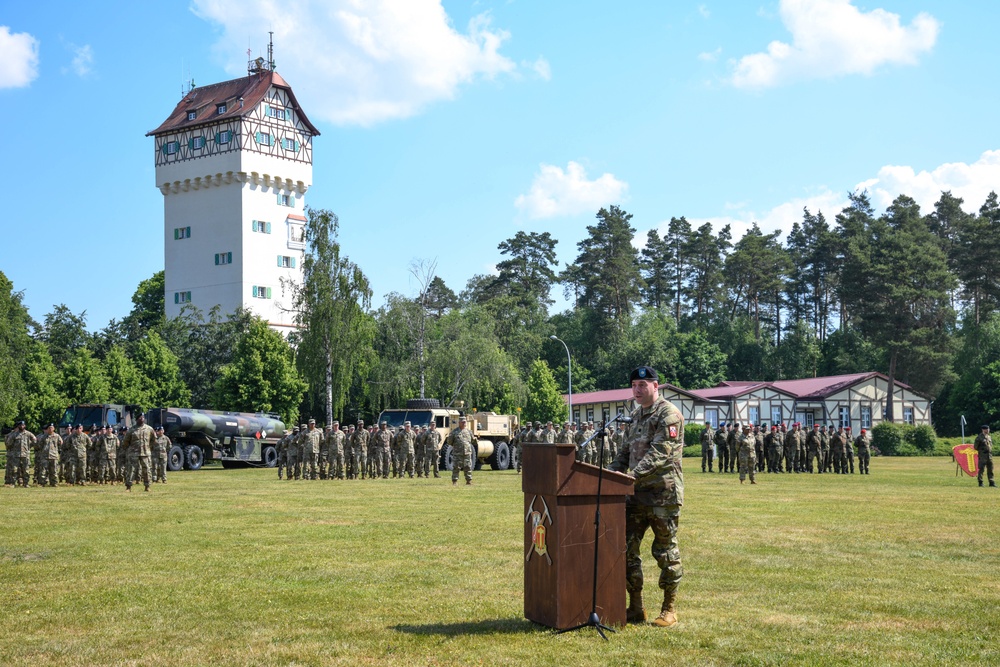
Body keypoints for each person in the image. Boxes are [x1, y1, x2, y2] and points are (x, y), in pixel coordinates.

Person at [609, 366, 684, 628]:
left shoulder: (669, 414)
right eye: (634, 385)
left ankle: (669, 609)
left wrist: (630, 475)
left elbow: (660, 453)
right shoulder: (636, 415)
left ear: (656, 386)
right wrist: (609, 474)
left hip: (663, 495)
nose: (638, 390)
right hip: (635, 495)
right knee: (626, 550)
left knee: (665, 551)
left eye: (643, 385)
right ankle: (636, 607)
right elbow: (625, 452)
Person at [122, 413, 155, 492]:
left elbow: (153, 440)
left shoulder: (149, 429)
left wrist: (148, 448)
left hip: (145, 453)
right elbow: (126, 441)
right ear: (137, 419)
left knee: (147, 470)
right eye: (140, 418)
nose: (142, 419)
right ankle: (128, 487)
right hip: (134, 453)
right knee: (131, 470)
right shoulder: (132, 429)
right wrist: (130, 450)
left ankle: (147, 486)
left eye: (143, 417)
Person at [446, 415, 478, 485]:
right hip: (458, 453)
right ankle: (455, 481)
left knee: (468, 467)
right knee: (456, 467)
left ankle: (468, 481)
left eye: (465, 422)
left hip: (467, 453)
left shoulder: (469, 432)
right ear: (459, 423)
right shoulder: (454, 432)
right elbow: (449, 442)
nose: (464, 423)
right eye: (462, 422)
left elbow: (472, 441)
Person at [5, 420, 36, 487]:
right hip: (16, 455)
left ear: (25, 426)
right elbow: (8, 444)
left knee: (26, 470)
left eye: (23, 425)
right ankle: (13, 483)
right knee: (14, 470)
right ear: (18, 426)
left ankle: (26, 483)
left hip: (25, 455)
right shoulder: (14, 434)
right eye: (20, 425)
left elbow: (34, 440)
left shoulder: (28, 434)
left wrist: (29, 446)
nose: (22, 426)